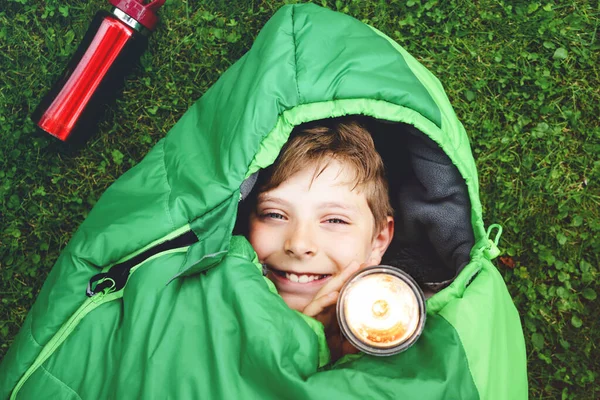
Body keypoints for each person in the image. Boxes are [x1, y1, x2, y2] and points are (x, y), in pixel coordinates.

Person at [245, 116, 395, 362]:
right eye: (275, 214)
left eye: (335, 220)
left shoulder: (416, 325)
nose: (299, 244)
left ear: (378, 240)